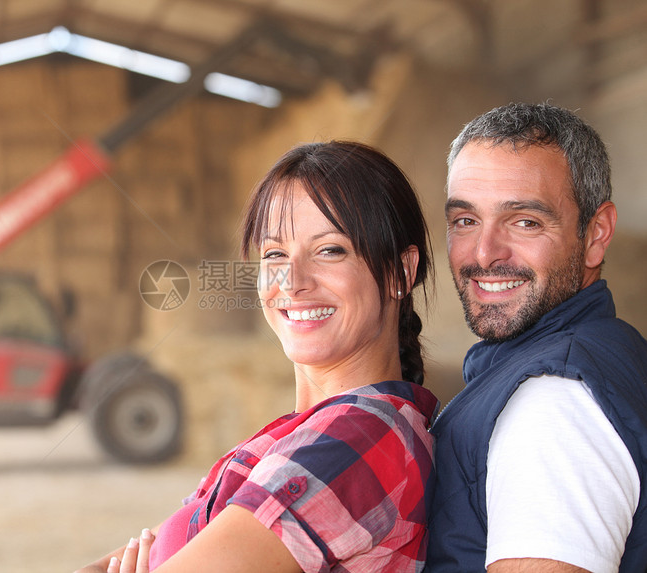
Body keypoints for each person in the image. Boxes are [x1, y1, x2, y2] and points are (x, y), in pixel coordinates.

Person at [75, 140, 439, 573]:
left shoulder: (359, 438)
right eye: (275, 254)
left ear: (401, 271)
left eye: (330, 250)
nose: (293, 281)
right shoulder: (299, 434)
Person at [425, 102, 647, 572]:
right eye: (465, 220)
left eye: (525, 221)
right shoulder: (606, 347)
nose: (484, 253)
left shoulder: (553, 405)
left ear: (596, 233)